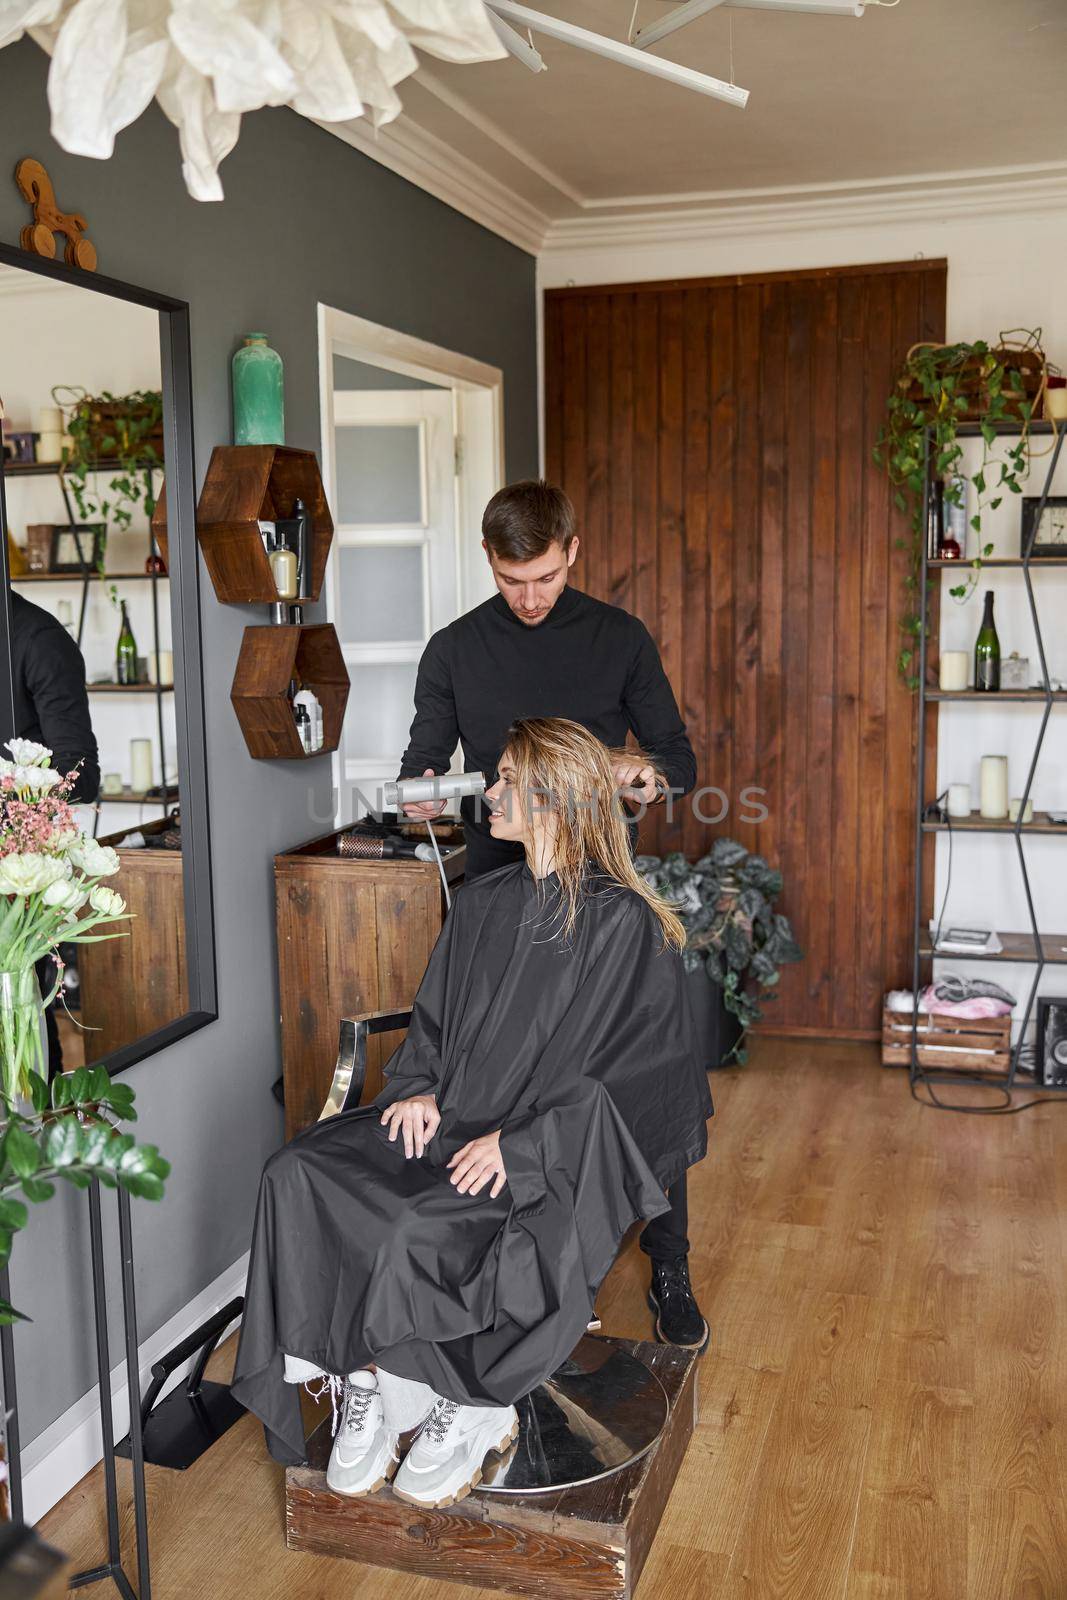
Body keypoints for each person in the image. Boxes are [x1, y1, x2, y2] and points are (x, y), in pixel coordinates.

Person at [231, 718, 712, 1509]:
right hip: (448, 1115)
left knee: (416, 1224)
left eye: (504, 781)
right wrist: (417, 1086)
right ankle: (368, 1379)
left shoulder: (622, 922)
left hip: (546, 1147)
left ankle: (466, 1398)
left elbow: (628, 1083)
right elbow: (434, 1023)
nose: (487, 793)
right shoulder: (485, 900)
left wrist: (524, 1145)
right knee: (298, 1170)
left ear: (552, 798)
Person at [396, 480, 708, 1353]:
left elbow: (672, 759)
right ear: (488, 564)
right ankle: (526, 1255)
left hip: (598, 891)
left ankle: (669, 1258)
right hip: (497, 894)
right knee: (511, 1077)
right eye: (510, 581)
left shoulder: (618, 639)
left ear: (572, 548)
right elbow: (423, 762)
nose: (528, 598)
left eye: (542, 576)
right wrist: (421, 793)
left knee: (630, 1073)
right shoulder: (454, 650)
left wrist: (634, 776)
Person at [9, 590, 99, 1074]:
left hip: (15, 878)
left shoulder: (39, 638)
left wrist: (15, 803)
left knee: (25, 1025)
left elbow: (79, 773)